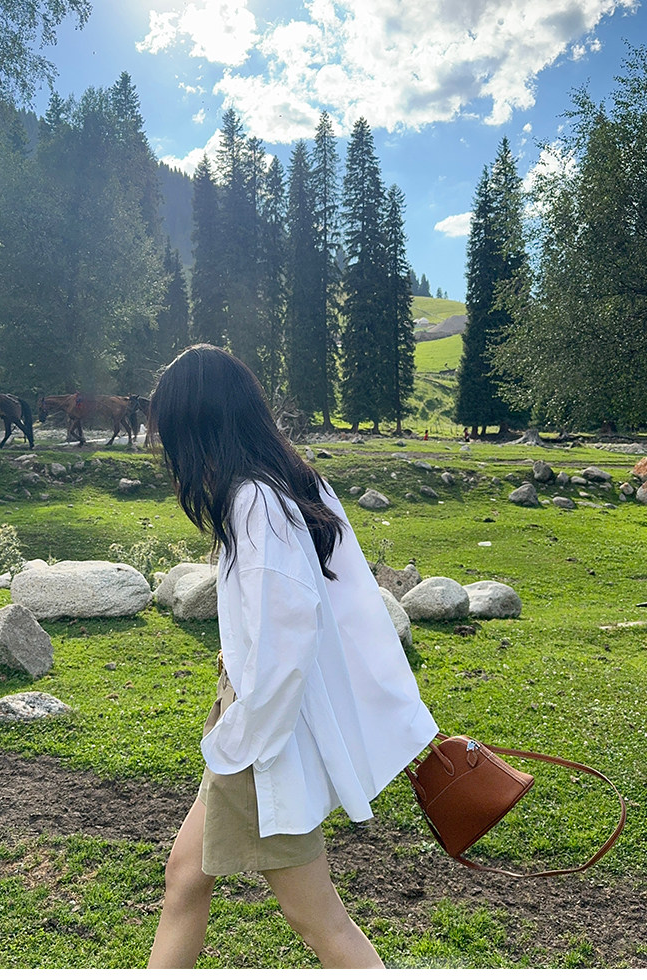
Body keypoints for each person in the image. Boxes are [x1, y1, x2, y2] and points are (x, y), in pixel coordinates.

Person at [146, 344, 438, 969]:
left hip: (263, 737)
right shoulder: (291, 485)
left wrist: (239, 740)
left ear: (197, 427)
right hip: (257, 723)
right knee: (185, 877)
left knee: (318, 919)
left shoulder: (255, 502)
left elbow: (286, 642)